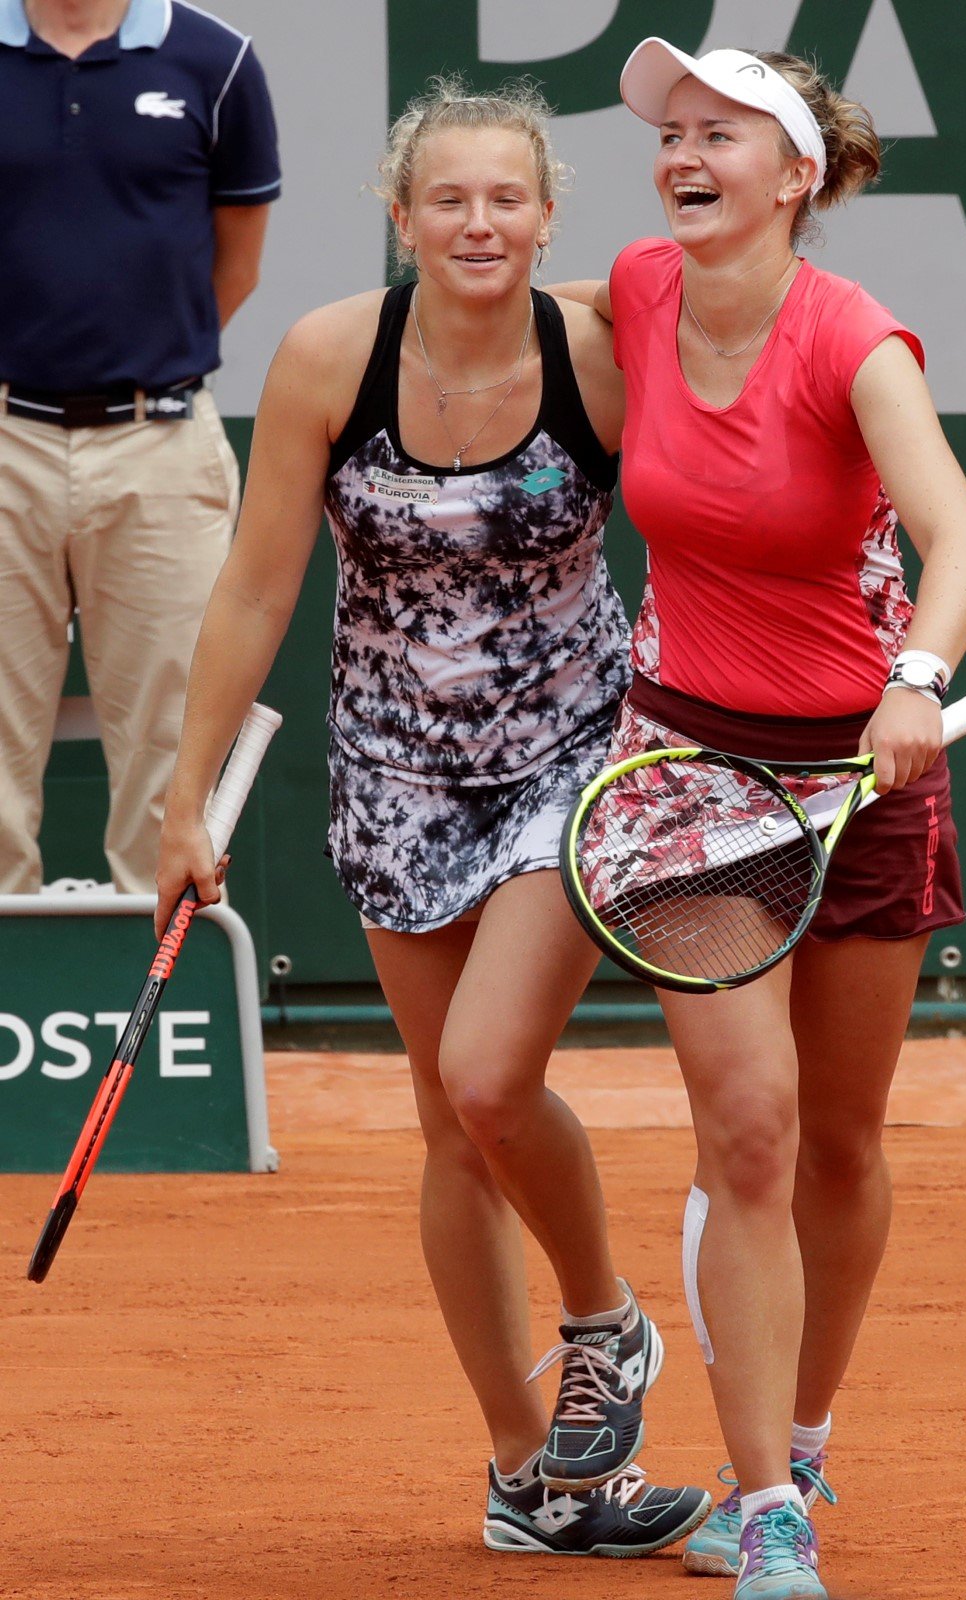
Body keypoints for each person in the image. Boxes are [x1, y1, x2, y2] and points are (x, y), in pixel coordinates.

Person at [154, 79, 711, 1558]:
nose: (478, 222)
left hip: (569, 759)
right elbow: (258, 586)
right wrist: (186, 794)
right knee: (454, 1130)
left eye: (506, 199)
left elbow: (727, 484)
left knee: (484, 1073)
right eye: (447, 199)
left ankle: (603, 1318)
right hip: (390, 778)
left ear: (545, 217)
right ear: (399, 217)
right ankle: (532, 1479)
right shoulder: (331, 355)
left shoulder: (598, 349)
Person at [555, 39, 966, 1600]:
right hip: (686, 771)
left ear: (796, 174)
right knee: (745, 1130)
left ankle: (802, 1434)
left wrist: (917, 681)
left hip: (861, 767)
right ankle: (766, 1510)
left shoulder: (855, 340)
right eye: (669, 135)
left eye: (719, 134)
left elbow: (959, 542)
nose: (681, 154)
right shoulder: (637, 285)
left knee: (840, 1141)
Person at [0, 0, 280, 893]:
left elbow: (234, 267)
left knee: (175, 765)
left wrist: (140, 368)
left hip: (160, 439)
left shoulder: (217, 60)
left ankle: (149, 1022)